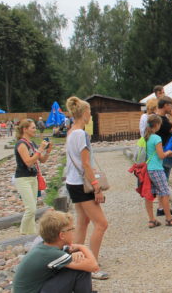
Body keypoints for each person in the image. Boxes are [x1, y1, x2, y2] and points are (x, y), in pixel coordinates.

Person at [65, 96, 109, 280]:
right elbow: (86, 164)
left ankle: (76, 258)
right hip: (82, 184)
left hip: (72, 182)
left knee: (82, 222)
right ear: (84, 113)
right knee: (101, 224)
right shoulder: (81, 134)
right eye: (89, 111)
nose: (91, 114)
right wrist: (97, 187)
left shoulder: (70, 132)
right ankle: (92, 266)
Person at [13, 211, 99, 293]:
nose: (74, 231)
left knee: (77, 263)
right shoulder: (51, 254)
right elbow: (94, 266)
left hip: (38, 288)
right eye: (71, 229)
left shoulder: (45, 247)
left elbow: (67, 255)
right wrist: (82, 246)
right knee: (81, 270)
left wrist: (75, 254)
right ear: (62, 235)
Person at [144, 114, 172, 227]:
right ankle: (169, 219)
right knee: (165, 193)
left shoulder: (146, 137)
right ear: (157, 125)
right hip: (156, 168)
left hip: (148, 169)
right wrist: (168, 152)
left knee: (150, 194)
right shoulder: (156, 138)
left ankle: (152, 220)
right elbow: (161, 155)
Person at [14, 119, 52, 235]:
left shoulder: (32, 144)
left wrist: (48, 151)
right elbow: (28, 162)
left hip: (33, 178)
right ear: (25, 129)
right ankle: (23, 233)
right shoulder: (21, 144)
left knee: (32, 208)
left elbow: (42, 160)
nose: (35, 130)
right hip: (23, 179)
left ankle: (30, 234)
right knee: (31, 209)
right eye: (33, 128)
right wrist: (40, 149)